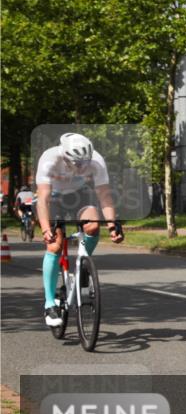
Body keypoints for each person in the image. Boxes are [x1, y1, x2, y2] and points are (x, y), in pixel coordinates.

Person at [35, 133, 124, 327]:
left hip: (80, 195)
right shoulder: (49, 160)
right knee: (55, 246)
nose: (83, 167)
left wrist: (112, 224)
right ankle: (49, 304)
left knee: (92, 226)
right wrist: (45, 228)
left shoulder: (97, 161)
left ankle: (84, 263)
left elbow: (104, 195)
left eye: (85, 162)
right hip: (54, 199)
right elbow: (43, 198)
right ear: (65, 156)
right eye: (77, 163)